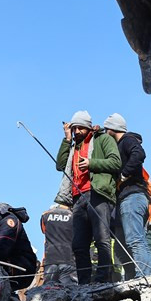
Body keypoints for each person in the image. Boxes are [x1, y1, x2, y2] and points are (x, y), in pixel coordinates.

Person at [55, 111, 121, 284]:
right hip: (77, 197)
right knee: (78, 245)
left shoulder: (103, 140)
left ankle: (102, 280)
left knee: (102, 238)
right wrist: (66, 138)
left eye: (79, 128)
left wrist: (92, 163)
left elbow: (116, 162)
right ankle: (84, 283)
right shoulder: (73, 146)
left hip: (97, 193)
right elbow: (60, 165)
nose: (76, 131)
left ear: (88, 127)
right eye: (74, 127)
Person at [103, 113, 151, 279]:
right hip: (130, 198)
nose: (105, 131)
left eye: (107, 128)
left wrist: (123, 174)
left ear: (113, 128)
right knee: (130, 242)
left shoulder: (127, 140)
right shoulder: (121, 144)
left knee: (135, 239)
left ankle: (147, 276)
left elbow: (139, 154)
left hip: (132, 196)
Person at [40, 203, 76, 284]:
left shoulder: (46, 215)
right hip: (68, 259)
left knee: (48, 291)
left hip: (50, 259)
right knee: (70, 291)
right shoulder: (74, 216)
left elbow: (44, 231)